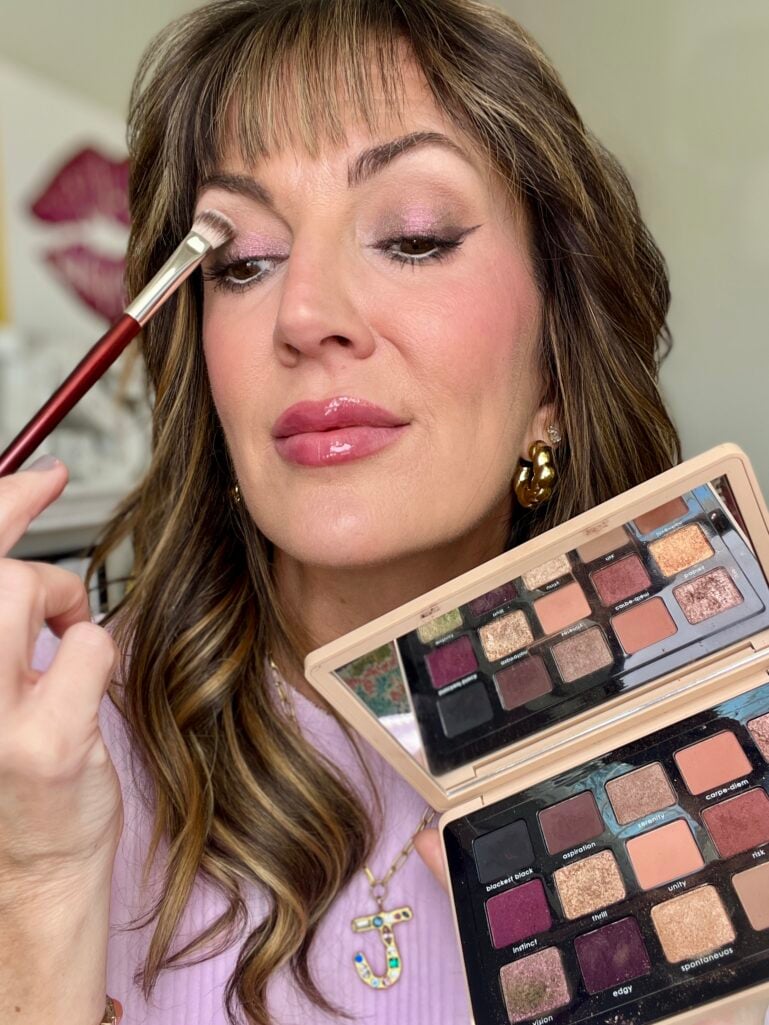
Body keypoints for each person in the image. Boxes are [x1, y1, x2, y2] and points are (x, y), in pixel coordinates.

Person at [0, 1, 687, 1023]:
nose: (306, 315)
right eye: (243, 262)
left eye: (412, 238)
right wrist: (38, 884)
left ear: (551, 369)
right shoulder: (37, 739)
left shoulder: (712, 738)